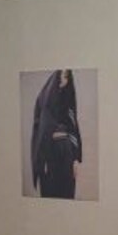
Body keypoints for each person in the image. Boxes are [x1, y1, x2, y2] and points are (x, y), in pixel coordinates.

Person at [31, 69, 82, 199]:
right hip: (50, 151)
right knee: (50, 194)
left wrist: (75, 159)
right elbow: (39, 132)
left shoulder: (68, 98)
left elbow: (73, 128)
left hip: (66, 151)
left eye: (67, 77)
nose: (64, 80)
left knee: (67, 194)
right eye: (62, 76)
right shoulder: (43, 100)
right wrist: (41, 160)